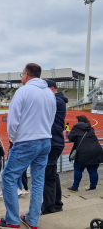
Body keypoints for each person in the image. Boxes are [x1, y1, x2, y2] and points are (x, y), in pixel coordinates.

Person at [0, 63, 56, 229]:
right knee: (37, 181)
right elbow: (51, 119)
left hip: (26, 142)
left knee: (8, 178)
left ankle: (12, 220)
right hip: (45, 141)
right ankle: (32, 220)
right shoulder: (50, 94)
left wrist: (15, 140)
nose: (21, 77)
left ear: (26, 75)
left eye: (22, 74)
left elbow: (13, 121)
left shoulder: (23, 91)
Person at [41, 80, 68, 215]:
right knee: (53, 175)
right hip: (55, 142)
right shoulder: (57, 100)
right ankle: (56, 203)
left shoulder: (55, 101)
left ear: (51, 89)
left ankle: (49, 207)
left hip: (52, 143)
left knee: (49, 177)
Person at [67, 115, 103, 192]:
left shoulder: (76, 127)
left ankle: (75, 187)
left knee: (78, 169)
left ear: (78, 121)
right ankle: (93, 188)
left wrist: (67, 130)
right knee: (93, 170)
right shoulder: (90, 127)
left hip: (83, 152)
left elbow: (70, 138)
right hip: (96, 151)